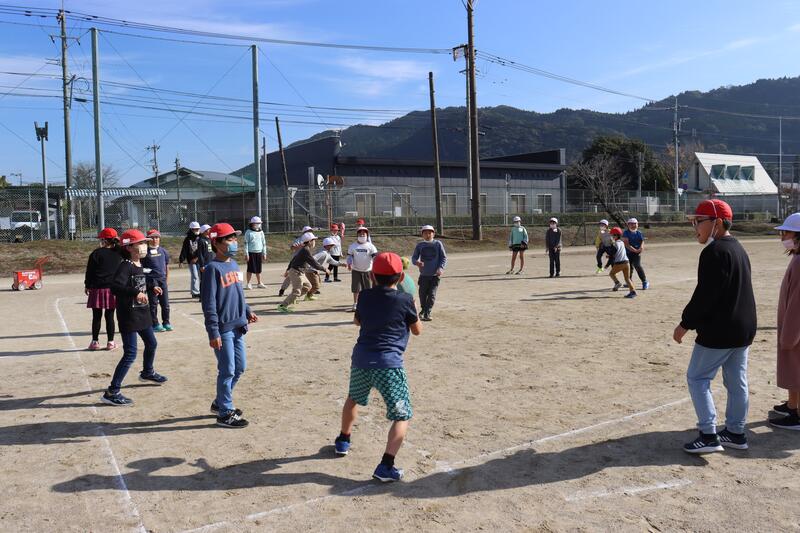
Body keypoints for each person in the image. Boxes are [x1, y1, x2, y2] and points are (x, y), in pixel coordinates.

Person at [673, 199, 756, 453]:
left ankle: (708, 435)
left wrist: (685, 324)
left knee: (697, 377)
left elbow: (705, 295)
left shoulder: (714, 251)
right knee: (737, 382)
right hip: (743, 328)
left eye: (699, 221)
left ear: (717, 223)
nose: (695, 227)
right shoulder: (739, 248)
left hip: (721, 330)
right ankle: (736, 433)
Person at [333, 252, 422, 483]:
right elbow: (417, 330)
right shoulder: (405, 299)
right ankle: (386, 465)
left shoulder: (364, 296)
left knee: (353, 398)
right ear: (400, 277)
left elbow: (357, 321)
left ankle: (343, 440)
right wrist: (412, 308)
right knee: (402, 415)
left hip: (361, 359)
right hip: (388, 365)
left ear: (372, 276)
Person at [201, 223, 258, 428]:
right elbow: (209, 304)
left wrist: (247, 310)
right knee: (227, 370)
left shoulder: (233, 265)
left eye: (234, 238)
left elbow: (238, 293)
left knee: (240, 367)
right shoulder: (212, 269)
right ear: (216, 243)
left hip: (238, 326)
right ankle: (225, 413)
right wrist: (213, 332)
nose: (234, 242)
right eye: (229, 239)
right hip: (223, 329)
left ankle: (220, 402)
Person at [103, 229, 168, 406]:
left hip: (142, 314)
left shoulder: (140, 264)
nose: (144, 245)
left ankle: (147, 372)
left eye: (144, 242)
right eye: (140, 243)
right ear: (129, 247)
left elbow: (140, 281)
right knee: (130, 353)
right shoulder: (125, 265)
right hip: (129, 315)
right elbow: (116, 287)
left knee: (152, 343)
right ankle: (112, 391)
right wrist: (135, 293)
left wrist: (151, 286)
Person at [770, 212, 800, 430]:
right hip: (793, 328)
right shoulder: (797, 259)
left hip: (795, 330)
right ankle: (792, 406)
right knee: (793, 370)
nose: (783, 237)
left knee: (796, 370)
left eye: (787, 233)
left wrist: (789, 336)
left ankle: (796, 416)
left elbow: (797, 304)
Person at [84, 227, 123, 351]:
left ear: (104, 240)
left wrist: (87, 285)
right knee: (110, 316)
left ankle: (94, 342)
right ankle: (110, 342)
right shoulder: (119, 253)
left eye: (101, 239)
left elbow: (89, 271)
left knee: (96, 316)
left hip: (97, 288)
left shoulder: (96, 253)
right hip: (112, 289)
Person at [277, 232, 327, 313]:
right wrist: (324, 269)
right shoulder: (305, 250)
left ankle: (292, 299)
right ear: (309, 241)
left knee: (308, 287)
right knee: (296, 292)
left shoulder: (304, 249)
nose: (315, 242)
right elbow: (314, 263)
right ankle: (282, 306)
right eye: (314, 240)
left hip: (300, 272)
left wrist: (288, 269)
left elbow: (294, 259)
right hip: (296, 272)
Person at [411, 225, 447, 321]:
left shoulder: (438, 244)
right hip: (424, 275)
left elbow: (443, 258)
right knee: (422, 294)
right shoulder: (420, 245)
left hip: (435, 275)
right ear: (422, 234)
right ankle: (423, 310)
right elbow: (414, 258)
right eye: (425, 233)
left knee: (431, 295)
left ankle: (428, 312)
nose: (428, 235)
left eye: (430, 233)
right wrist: (417, 262)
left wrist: (441, 268)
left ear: (433, 234)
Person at [141, 229, 171, 332]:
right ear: (148, 239)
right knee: (153, 304)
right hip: (151, 281)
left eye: (157, 237)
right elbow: (143, 269)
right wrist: (150, 283)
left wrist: (166, 280)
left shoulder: (163, 251)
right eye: (152, 238)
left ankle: (166, 322)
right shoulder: (145, 253)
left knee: (165, 304)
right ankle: (155, 324)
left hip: (162, 280)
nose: (155, 240)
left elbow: (166, 267)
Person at [347, 227, 378, 312]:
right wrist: (349, 263)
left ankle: (368, 303)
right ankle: (355, 303)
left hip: (368, 270)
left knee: (368, 288)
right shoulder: (353, 246)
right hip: (356, 270)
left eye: (364, 234)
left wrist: (376, 263)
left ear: (367, 235)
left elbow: (375, 256)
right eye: (360, 234)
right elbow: (350, 256)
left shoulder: (370, 246)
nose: (362, 235)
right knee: (356, 288)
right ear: (357, 235)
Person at [609, 227, 637, 299]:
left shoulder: (615, 243)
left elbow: (613, 253)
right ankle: (633, 292)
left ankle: (617, 283)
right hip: (626, 262)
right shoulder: (621, 242)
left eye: (612, 235)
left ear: (616, 235)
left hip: (620, 263)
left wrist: (609, 255)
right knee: (627, 279)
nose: (611, 236)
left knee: (611, 274)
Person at [623, 217, 649, 290]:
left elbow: (642, 241)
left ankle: (644, 282)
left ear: (637, 225)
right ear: (628, 225)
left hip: (637, 252)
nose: (633, 225)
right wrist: (634, 250)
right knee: (629, 267)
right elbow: (626, 244)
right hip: (628, 252)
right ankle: (629, 282)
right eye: (631, 224)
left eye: (634, 224)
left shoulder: (639, 233)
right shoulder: (626, 233)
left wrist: (641, 247)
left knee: (637, 266)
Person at [179, 221, 202, 298]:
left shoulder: (201, 238)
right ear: (191, 229)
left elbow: (203, 250)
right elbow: (184, 250)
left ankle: (201, 290)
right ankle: (195, 292)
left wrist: (197, 257)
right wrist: (181, 260)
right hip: (191, 261)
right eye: (195, 229)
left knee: (201, 276)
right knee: (195, 276)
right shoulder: (187, 239)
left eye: (198, 229)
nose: (197, 230)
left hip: (200, 260)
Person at [244, 216, 267, 290]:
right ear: (252, 224)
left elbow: (264, 243)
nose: (258, 224)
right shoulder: (248, 232)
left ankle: (259, 283)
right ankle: (248, 283)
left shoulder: (261, 232)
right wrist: (246, 254)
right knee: (250, 269)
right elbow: (246, 243)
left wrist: (264, 253)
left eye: (259, 223)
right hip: (251, 253)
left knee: (258, 269)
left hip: (259, 252)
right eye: (257, 223)